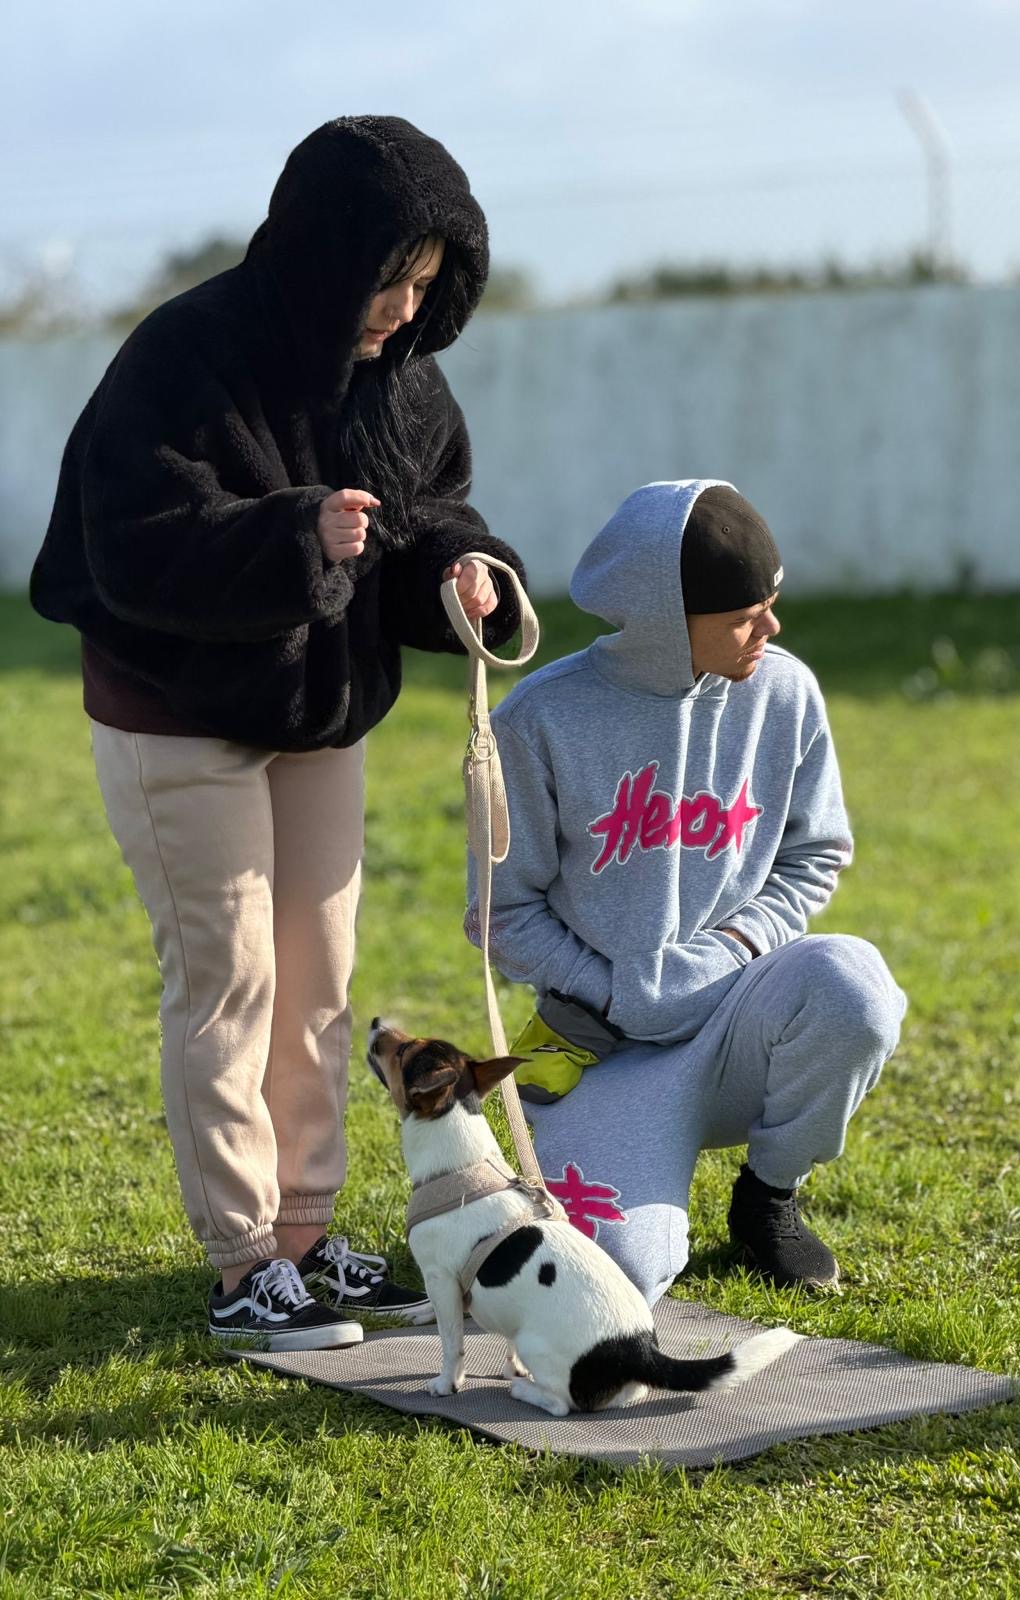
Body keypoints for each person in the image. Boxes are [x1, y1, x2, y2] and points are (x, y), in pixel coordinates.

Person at [30, 115, 526, 1351]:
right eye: (386, 278)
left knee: (318, 980)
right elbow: (130, 538)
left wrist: (465, 573)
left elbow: (433, 516)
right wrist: (294, 538)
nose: (403, 312)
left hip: (319, 719)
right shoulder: (184, 351)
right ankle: (244, 1262)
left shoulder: (404, 380)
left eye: (426, 285)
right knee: (229, 983)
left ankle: (307, 1237)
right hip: (176, 716)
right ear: (319, 250)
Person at [468, 480, 906, 1305]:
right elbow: (501, 910)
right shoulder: (538, 721)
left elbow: (814, 855)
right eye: (745, 615)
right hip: (602, 1045)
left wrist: (726, 953)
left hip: (744, 1015)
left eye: (772, 604)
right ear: (667, 620)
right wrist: (616, 991)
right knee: (614, 1281)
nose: (769, 630)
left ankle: (767, 1197)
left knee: (854, 990)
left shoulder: (785, 692)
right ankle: (583, 1167)